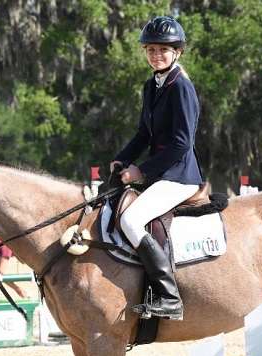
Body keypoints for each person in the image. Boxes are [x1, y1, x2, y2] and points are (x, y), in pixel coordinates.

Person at [110, 16, 203, 321]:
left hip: (179, 176)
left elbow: (181, 144)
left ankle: (168, 296)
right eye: (151, 49)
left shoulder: (181, 87)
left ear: (178, 52)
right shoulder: (152, 85)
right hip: (161, 174)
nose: (156, 55)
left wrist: (142, 171)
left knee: (131, 220)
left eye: (163, 49)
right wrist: (122, 159)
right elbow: (144, 134)